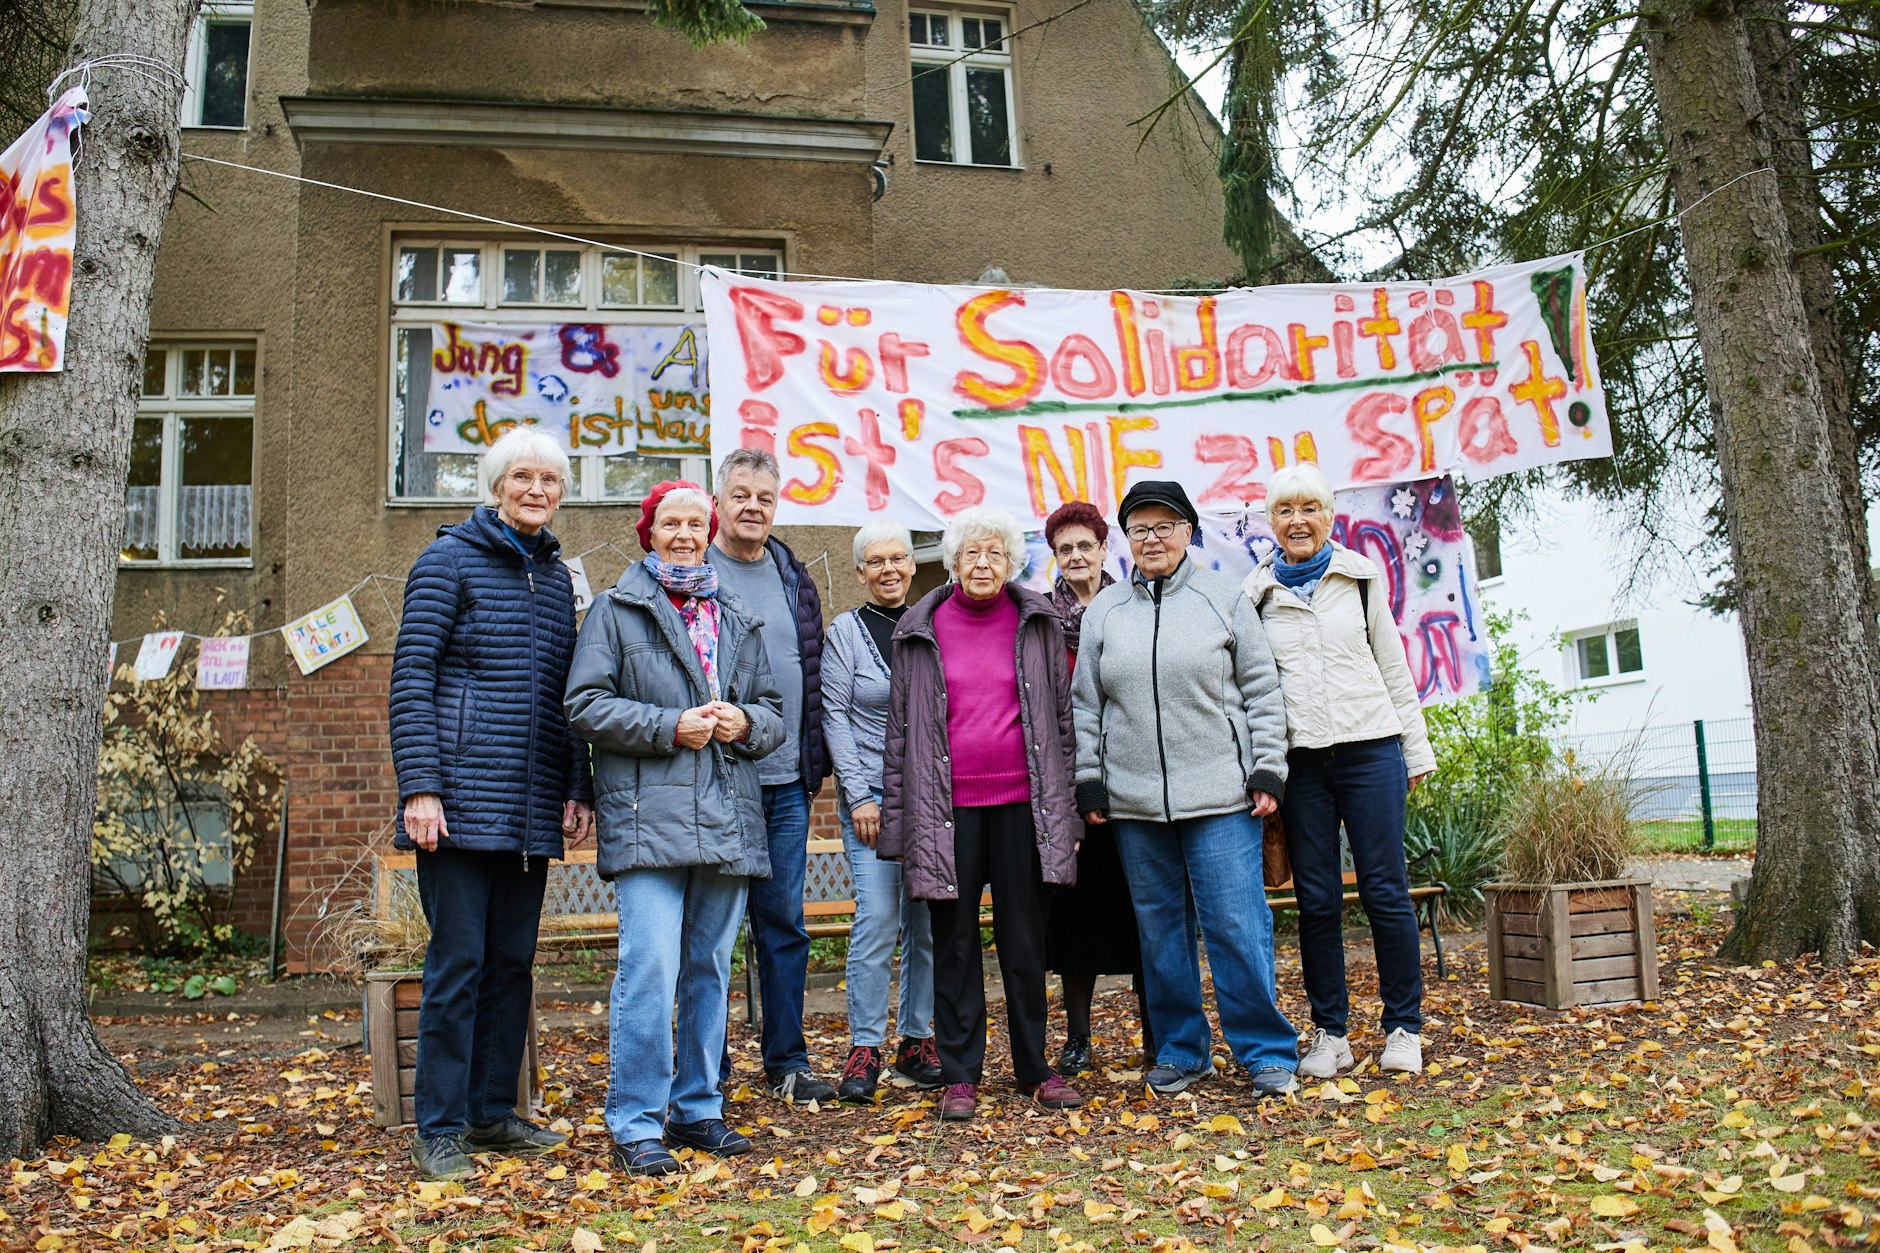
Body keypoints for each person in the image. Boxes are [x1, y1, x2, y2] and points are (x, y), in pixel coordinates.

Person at [389, 426, 594, 1182]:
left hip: (531, 806)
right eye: (523, 477)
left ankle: (491, 1111)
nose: (536, 489)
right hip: (457, 803)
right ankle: (438, 1127)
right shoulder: (447, 560)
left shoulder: (557, 581)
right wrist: (421, 785)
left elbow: (572, 695)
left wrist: (578, 786)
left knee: (512, 963)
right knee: (458, 963)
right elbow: (412, 676)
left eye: (550, 479)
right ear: (496, 485)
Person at [564, 481, 785, 1176]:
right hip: (647, 817)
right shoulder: (615, 609)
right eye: (671, 522)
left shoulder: (739, 615)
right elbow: (584, 704)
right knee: (650, 970)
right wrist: (668, 725)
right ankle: (635, 1119)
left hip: (725, 815)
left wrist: (744, 721)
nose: (685, 532)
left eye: (696, 521)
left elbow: (775, 712)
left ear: (709, 529)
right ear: (649, 531)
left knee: (709, 971)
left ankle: (697, 1106)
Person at [1071, 480, 1300, 1098]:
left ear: (1188, 533)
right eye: (1139, 528)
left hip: (1223, 799)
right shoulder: (1106, 611)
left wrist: (1268, 769)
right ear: (1126, 538)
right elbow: (1086, 705)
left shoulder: (1223, 600)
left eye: (1164, 526)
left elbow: (1261, 689)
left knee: (1236, 926)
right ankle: (1181, 1050)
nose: (1152, 538)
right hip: (1135, 805)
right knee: (1160, 933)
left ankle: (1267, 1053)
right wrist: (1090, 782)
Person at [880, 506, 1085, 1122]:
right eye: (971, 553)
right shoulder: (921, 627)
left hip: (1025, 807)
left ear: (1011, 561)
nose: (983, 563)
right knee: (956, 944)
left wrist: (1069, 815)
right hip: (948, 812)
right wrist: (897, 825)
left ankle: (1035, 1068)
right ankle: (961, 1073)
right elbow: (900, 734)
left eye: (994, 553)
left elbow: (1063, 724)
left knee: (1026, 942)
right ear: (952, 561)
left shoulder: (1039, 622)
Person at [1243, 463, 1436, 1078]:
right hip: (1301, 762)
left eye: (1309, 508)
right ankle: (1331, 1034)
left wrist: (1415, 749)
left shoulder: (1359, 577)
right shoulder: (1256, 595)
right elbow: (1253, 691)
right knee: (1317, 899)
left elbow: (1393, 663)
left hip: (1370, 747)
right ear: (1270, 523)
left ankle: (1403, 1026)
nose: (1297, 521)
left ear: (1329, 516)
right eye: (1284, 511)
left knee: (1385, 890)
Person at [708, 449, 838, 1106]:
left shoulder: (792, 573)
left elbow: (809, 668)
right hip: (715, 782)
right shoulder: (695, 568)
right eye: (740, 493)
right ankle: (709, 1065)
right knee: (714, 929)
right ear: (718, 499)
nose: (752, 505)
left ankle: (787, 1060)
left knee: (783, 923)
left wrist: (817, 758)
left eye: (764, 495)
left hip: (787, 782)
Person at [823, 521, 943, 1103]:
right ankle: (864, 1046)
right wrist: (859, 795)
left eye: (899, 558)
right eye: (877, 561)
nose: (890, 569)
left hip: (929, 802)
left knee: (925, 925)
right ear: (861, 572)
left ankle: (916, 1040)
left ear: (913, 566)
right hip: (872, 800)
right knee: (877, 920)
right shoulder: (845, 632)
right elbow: (835, 718)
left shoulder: (934, 624)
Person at [1040, 501, 1152, 1076]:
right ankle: (1078, 1037)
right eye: (1066, 548)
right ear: (1055, 558)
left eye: (1086, 545)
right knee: (1077, 917)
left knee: (1146, 913)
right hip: (1071, 792)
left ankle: (1157, 1033)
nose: (1077, 556)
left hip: (1135, 784)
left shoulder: (1133, 606)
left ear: (1106, 549)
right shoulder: (1038, 621)